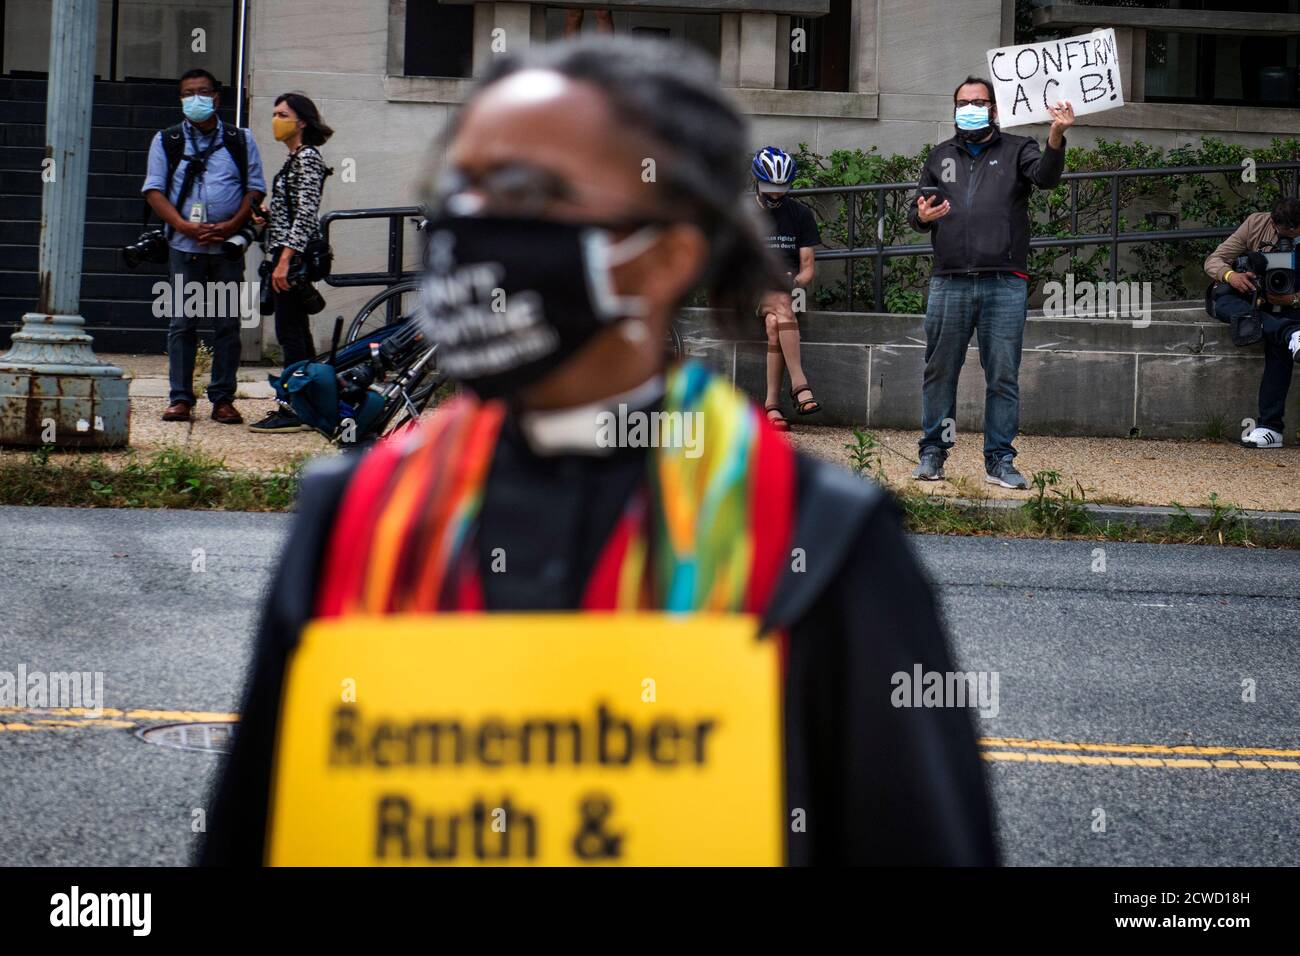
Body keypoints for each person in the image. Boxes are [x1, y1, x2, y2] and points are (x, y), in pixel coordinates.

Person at [201, 36, 995, 867]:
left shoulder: (818, 540)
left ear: (666, 256)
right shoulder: (352, 516)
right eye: (462, 188)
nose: (474, 225)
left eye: (526, 192)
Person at [906, 76, 1073, 489]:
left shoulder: (1018, 149)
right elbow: (918, 212)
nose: (970, 108)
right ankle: (933, 453)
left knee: (1002, 374)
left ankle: (1000, 460)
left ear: (994, 109)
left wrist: (1056, 136)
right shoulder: (940, 155)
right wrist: (921, 217)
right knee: (940, 371)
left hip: (1004, 282)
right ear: (955, 108)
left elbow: (1046, 178)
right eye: (963, 102)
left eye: (979, 102)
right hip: (950, 281)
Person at [143, 68, 266, 425]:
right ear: (181, 100)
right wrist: (182, 225)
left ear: (217, 97)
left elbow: (255, 188)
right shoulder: (166, 140)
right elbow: (154, 190)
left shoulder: (240, 139)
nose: (195, 98)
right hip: (185, 247)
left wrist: (232, 224)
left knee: (227, 323)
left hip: (227, 248)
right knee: (183, 322)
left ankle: (223, 399)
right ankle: (180, 399)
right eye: (187, 93)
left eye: (202, 92)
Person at [248, 92, 335, 434]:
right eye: (274, 113)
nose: (275, 119)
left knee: (290, 332)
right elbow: (292, 211)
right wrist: (270, 216)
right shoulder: (294, 158)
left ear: (301, 121)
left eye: (282, 113)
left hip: (292, 258)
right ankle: (310, 403)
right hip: (285, 253)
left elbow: (306, 215)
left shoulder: (309, 158)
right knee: (297, 330)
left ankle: (293, 407)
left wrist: (284, 260)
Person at [1204, 197, 1300, 449]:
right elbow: (1214, 260)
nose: (1286, 236)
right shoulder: (1256, 223)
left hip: (1294, 303)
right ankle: (1292, 334)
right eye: (1281, 232)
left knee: (1278, 343)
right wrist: (1231, 276)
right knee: (1221, 298)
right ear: (1273, 222)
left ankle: (1270, 428)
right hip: (1258, 299)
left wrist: (1294, 298)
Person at [752, 146, 821, 431]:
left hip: (788, 291)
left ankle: (772, 407)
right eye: (771, 187)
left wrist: (792, 282)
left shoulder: (800, 215)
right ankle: (800, 385)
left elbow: (807, 270)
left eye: (782, 187)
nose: (777, 194)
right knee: (781, 307)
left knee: (774, 322)